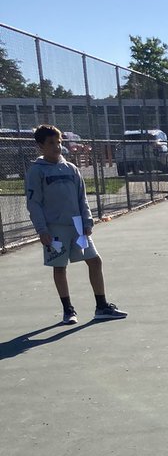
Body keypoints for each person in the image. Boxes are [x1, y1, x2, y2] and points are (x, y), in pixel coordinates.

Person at [25, 124, 127, 325]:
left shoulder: (71, 169)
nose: (57, 147)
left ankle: (102, 307)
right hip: (55, 229)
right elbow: (34, 203)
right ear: (40, 146)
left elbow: (82, 197)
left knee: (95, 261)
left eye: (59, 142)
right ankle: (68, 311)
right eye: (51, 143)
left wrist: (87, 220)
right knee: (60, 267)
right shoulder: (36, 172)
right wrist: (42, 230)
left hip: (78, 227)